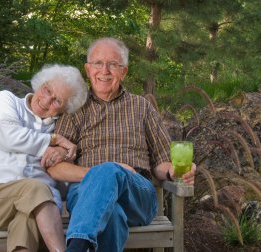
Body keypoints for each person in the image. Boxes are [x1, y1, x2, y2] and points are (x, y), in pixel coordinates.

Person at [46, 37, 196, 252]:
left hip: (136, 193)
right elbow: (54, 167)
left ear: (123, 71)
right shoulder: (75, 110)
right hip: (86, 194)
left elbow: (162, 162)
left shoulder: (141, 107)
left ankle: (76, 247)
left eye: (113, 64)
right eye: (98, 63)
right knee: (113, 214)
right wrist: (101, 173)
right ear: (88, 69)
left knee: (109, 173)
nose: (104, 70)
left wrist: (175, 171)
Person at [0, 64, 88, 252]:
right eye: (47, 90)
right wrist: (53, 140)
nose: (47, 100)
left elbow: (63, 186)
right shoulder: (7, 101)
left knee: (27, 221)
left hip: (38, 209)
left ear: (64, 109)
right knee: (35, 189)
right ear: (40, 83)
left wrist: (65, 154)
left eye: (57, 101)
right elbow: (10, 136)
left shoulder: (60, 129)